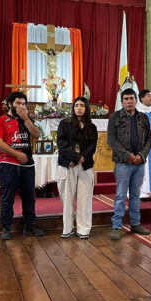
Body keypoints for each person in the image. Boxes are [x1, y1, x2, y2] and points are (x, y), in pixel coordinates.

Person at [0, 91, 44, 240]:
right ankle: (6, 227)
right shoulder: (0, 120)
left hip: (27, 165)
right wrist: (17, 154)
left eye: (23, 104)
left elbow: (37, 134)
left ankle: (29, 225)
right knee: (7, 197)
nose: (21, 106)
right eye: (18, 103)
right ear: (10, 104)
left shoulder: (25, 120)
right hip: (8, 163)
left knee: (29, 197)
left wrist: (26, 118)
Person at [107, 88, 151, 240]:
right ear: (122, 102)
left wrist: (141, 155)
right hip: (122, 163)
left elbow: (148, 139)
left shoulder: (143, 118)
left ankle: (135, 223)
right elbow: (111, 140)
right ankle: (117, 226)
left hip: (139, 163)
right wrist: (127, 155)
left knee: (135, 195)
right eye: (126, 99)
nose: (129, 102)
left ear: (136, 100)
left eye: (131, 98)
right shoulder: (115, 117)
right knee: (120, 195)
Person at [56, 96, 98, 239]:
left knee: (85, 198)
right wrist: (74, 157)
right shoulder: (65, 124)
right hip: (69, 164)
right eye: (76, 105)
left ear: (86, 108)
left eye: (82, 105)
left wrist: (81, 158)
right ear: (73, 108)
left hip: (85, 165)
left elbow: (92, 146)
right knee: (67, 198)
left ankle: (83, 229)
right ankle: (67, 228)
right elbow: (62, 144)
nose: (79, 108)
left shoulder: (92, 127)